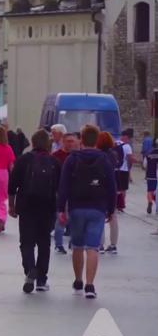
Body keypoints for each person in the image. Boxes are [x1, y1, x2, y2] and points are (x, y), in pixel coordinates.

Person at [57, 124, 116, 299]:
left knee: (77, 245)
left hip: (77, 207)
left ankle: (78, 280)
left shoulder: (72, 159)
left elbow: (63, 185)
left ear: (81, 139)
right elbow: (112, 186)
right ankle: (90, 285)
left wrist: (61, 208)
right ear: (97, 140)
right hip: (97, 207)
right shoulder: (104, 159)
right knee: (93, 247)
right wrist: (111, 209)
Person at [8, 130, 61, 293]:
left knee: (27, 242)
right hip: (47, 206)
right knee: (44, 243)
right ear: (48, 144)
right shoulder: (55, 162)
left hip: (26, 206)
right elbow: (60, 188)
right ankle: (41, 280)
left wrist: (12, 205)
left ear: (32, 142)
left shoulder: (23, 160)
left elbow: (12, 185)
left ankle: (30, 269)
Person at [51, 132, 80, 254]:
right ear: (63, 142)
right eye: (68, 141)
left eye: (72, 141)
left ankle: (73, 242)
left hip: (76, 192)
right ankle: (59, 244)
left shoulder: (79, 156)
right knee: (61, 219)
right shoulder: (56, 156)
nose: (70, 144)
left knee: (75, 219)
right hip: (61, 191)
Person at [97, 131, 123, 254]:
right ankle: (113, 245)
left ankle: (100, 244)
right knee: (113, 216)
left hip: (101, 187)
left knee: (100, 216)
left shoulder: (99, 155)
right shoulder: (113, 154)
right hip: (113, 186)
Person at [114, 128, 135, 214]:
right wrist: (130, 169)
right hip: (123, 170)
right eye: (129, 138)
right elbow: (130, 159)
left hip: (114, 169)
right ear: (126, 137)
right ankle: (120, 206)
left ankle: (113, 204)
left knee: (115, 188)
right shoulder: (127, 146)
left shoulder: (115, 143)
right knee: (123, 189)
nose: (129, 140)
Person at [146, 139, 158, 227]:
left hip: (150, 174)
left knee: (150, 190)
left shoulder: (149, 153)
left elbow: (144, 164)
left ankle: (150, 202)